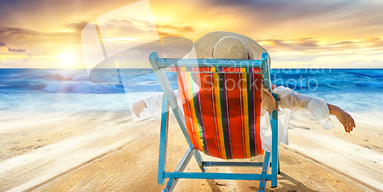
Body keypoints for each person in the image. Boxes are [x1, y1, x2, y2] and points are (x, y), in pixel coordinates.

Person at [131, 31, 355, 150]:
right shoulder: (259, 90)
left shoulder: (200, 91)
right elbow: (298, 100)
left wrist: (144, 102)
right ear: (250, 61)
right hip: (248, 146)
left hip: (209, 145)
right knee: (282, 101)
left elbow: (170, 98)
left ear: (210, 63)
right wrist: (335, 110)